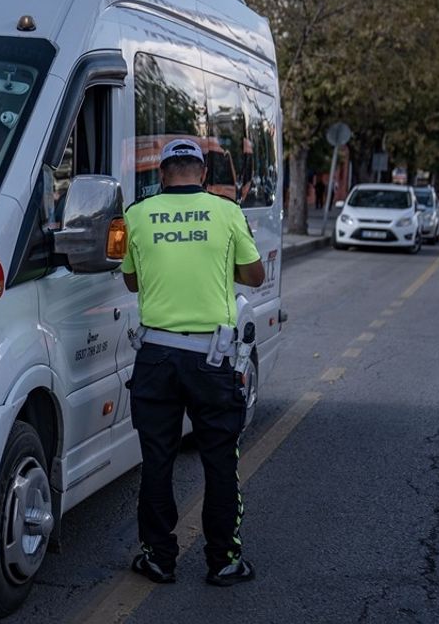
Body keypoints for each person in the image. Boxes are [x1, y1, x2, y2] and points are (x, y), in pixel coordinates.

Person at [120, 139, 265, 587]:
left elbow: (130, 280)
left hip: (157, 357)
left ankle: (159, 559)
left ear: (162, 175)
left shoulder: (137, 215)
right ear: (203, 175)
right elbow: (255, 275)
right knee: (220, 461)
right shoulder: (227, 213)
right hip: (212, 357)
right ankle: (223, 560)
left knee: (157, 460)